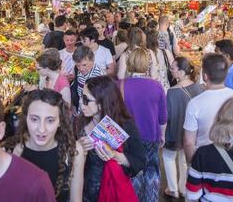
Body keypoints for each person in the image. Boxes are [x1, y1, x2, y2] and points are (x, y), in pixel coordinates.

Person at [76, 76, 146, 202]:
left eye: (86, 99)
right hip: (83, 191)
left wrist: (114, 155)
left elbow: (139, 161)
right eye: (81, 97)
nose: (81, 103)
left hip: (111, 191)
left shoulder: (125, 126)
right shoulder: (80, 122)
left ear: (102, 102)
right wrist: (77, 148)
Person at [12, 89, 84, 202]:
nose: (41, 129)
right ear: (25, 119)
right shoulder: (14, 151)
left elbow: (76, 199)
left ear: (60, 122)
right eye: (34, 119)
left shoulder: (73, 151)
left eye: (50, 120)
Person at [121, 47, 167, 202]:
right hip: (151, 135)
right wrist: (163, 135)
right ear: (147, 64)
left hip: (128, 138)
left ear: (129, 63)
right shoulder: (156, 86)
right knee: (151, 170)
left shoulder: (120, 86)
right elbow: (162, 117)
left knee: (133, 171)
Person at [183, 53, 233, 164]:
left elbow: (189, 143)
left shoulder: (195, 103)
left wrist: (193, 166)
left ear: (205, 76)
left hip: (205, 162)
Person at [163, 57, 204, 199]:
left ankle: (173, 189)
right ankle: (183, 188)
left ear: (181, 72)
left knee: (168, 157)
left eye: (173, 68)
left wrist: (162, 133)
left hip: (174, 130)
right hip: (191, 133)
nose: (171, 71)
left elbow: (167, 115)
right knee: (185, 160)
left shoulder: (172, 92)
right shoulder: (199, 88)